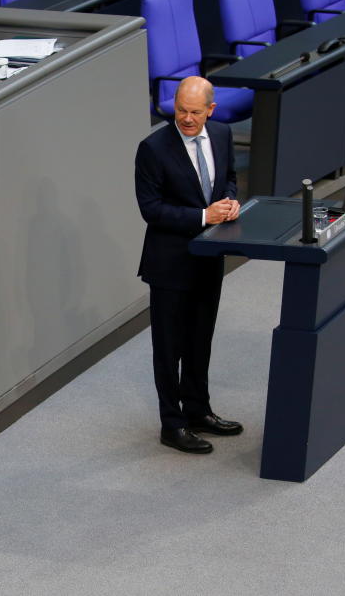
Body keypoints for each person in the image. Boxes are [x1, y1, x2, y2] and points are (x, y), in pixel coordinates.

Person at [134, 76, 243, 455]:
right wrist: (203, 216)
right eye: (181, 110)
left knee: (200, 341)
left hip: (209, 260)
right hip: (169, 265)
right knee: (169, 348)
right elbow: (151, 209)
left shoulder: (224, 134)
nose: (187, 118)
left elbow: (227, 179)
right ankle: (173, 424)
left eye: (195, 112)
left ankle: (198, 411)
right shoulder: (153, 148)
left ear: (210, 111)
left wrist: (230, 202)